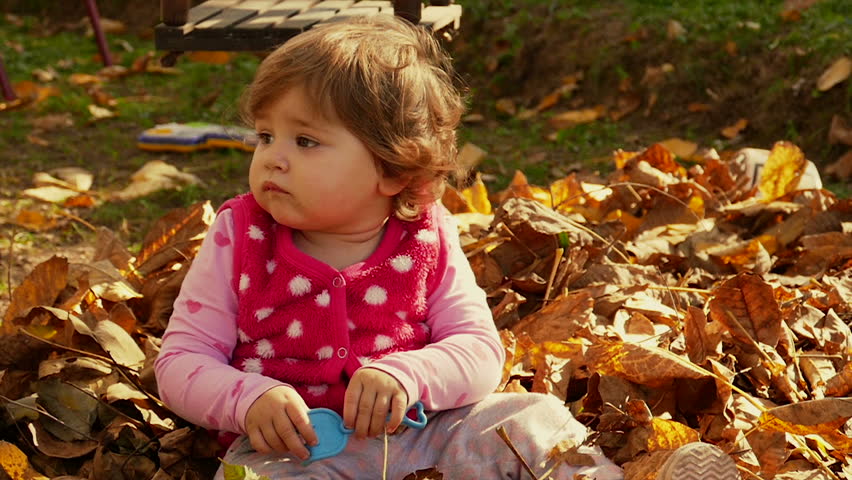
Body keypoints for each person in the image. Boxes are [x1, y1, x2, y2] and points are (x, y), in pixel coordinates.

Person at [154, 15, 735, 480]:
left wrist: (410, 374)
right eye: (265, 136)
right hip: (294, 451)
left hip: (427, 434)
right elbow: (182, 360)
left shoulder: (425, 237)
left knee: (529, 417)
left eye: (305, 140)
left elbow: (478, 350)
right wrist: (247, 399)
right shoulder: (241, 235)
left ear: (392, 169)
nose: (273, 158)